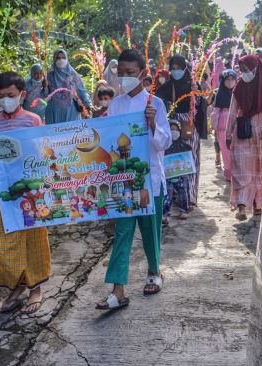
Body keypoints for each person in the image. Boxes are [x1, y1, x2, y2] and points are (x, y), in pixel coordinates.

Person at [95, 49, 171, 311]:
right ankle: (117, 289)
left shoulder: (155, 104)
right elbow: (109, 139)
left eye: (130, 73)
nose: (124, 78)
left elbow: (164, 142)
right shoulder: (115, 104)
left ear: (142, 74)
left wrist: (152, 125)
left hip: (151, 179)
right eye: (121, 73)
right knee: (123, 232)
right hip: (124, 179)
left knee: (151, 230)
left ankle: (154, 271)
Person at [0, 71, 50, 314]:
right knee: (4, 240)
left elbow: (43, 153)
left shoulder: (33, 121)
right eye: (0, 96)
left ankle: (35, 289)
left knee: (33, 239)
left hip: (30, 191)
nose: (5, 100)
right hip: (4, 192)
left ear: (22, 95)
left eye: (10, 95)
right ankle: (16, 287)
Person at [226, 54, 262, 220]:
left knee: (261, 170)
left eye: (246, 70)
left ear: (255, 68)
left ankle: (258, 204)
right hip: (244, 133)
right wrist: (229, 133)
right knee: (243, 170)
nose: (244, 73)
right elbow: (232, 111)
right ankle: (242, 206)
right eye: (241, 70)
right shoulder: (239, 88)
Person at [156, 55, 208, 207]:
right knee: (172, 159)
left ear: (185, 68)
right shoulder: (167, 86)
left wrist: (196, 95)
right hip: (170, 126)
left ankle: (190, 196)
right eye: (173, 69)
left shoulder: (192, 85)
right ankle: (174, 196)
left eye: (179, 68)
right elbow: (157, 100)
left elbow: (201, 106)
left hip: (188, 127)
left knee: (190, 160)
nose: (176, 71)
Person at [45, 49, 92, 124]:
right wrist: (44, 86)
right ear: (54, 59)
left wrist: (88, 104)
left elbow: (82, 91)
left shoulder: (72, 75)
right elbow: (44, 95)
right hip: (54, 111)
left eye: (63, 58)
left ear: (67, 59)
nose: (61, 60)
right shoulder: (49, 76)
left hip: (71, 111)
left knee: (72, 134)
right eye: (58, 58)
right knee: (55, 134)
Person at [163, 120, 192, 224]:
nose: (173, 132)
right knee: (167, 195)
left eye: (176, 130)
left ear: (180, 131)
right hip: (168, 175)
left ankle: (184, 210)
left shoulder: (184, 145)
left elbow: (189, 156)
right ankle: (165, 214)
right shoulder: (164, 146)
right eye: (171, 130)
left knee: (183, 191)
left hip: (181, 174)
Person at [211, 69, 237, 181]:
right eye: (227, 79)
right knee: (226, 150)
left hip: (237, 124)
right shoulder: (219, 94)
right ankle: (229, 173)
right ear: (223, 81)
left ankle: (236, 173)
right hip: (223, 125)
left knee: (236, 150)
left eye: (232, 79)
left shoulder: (239, 92)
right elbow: (216, 111)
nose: (230, 82)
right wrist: (215, 127)